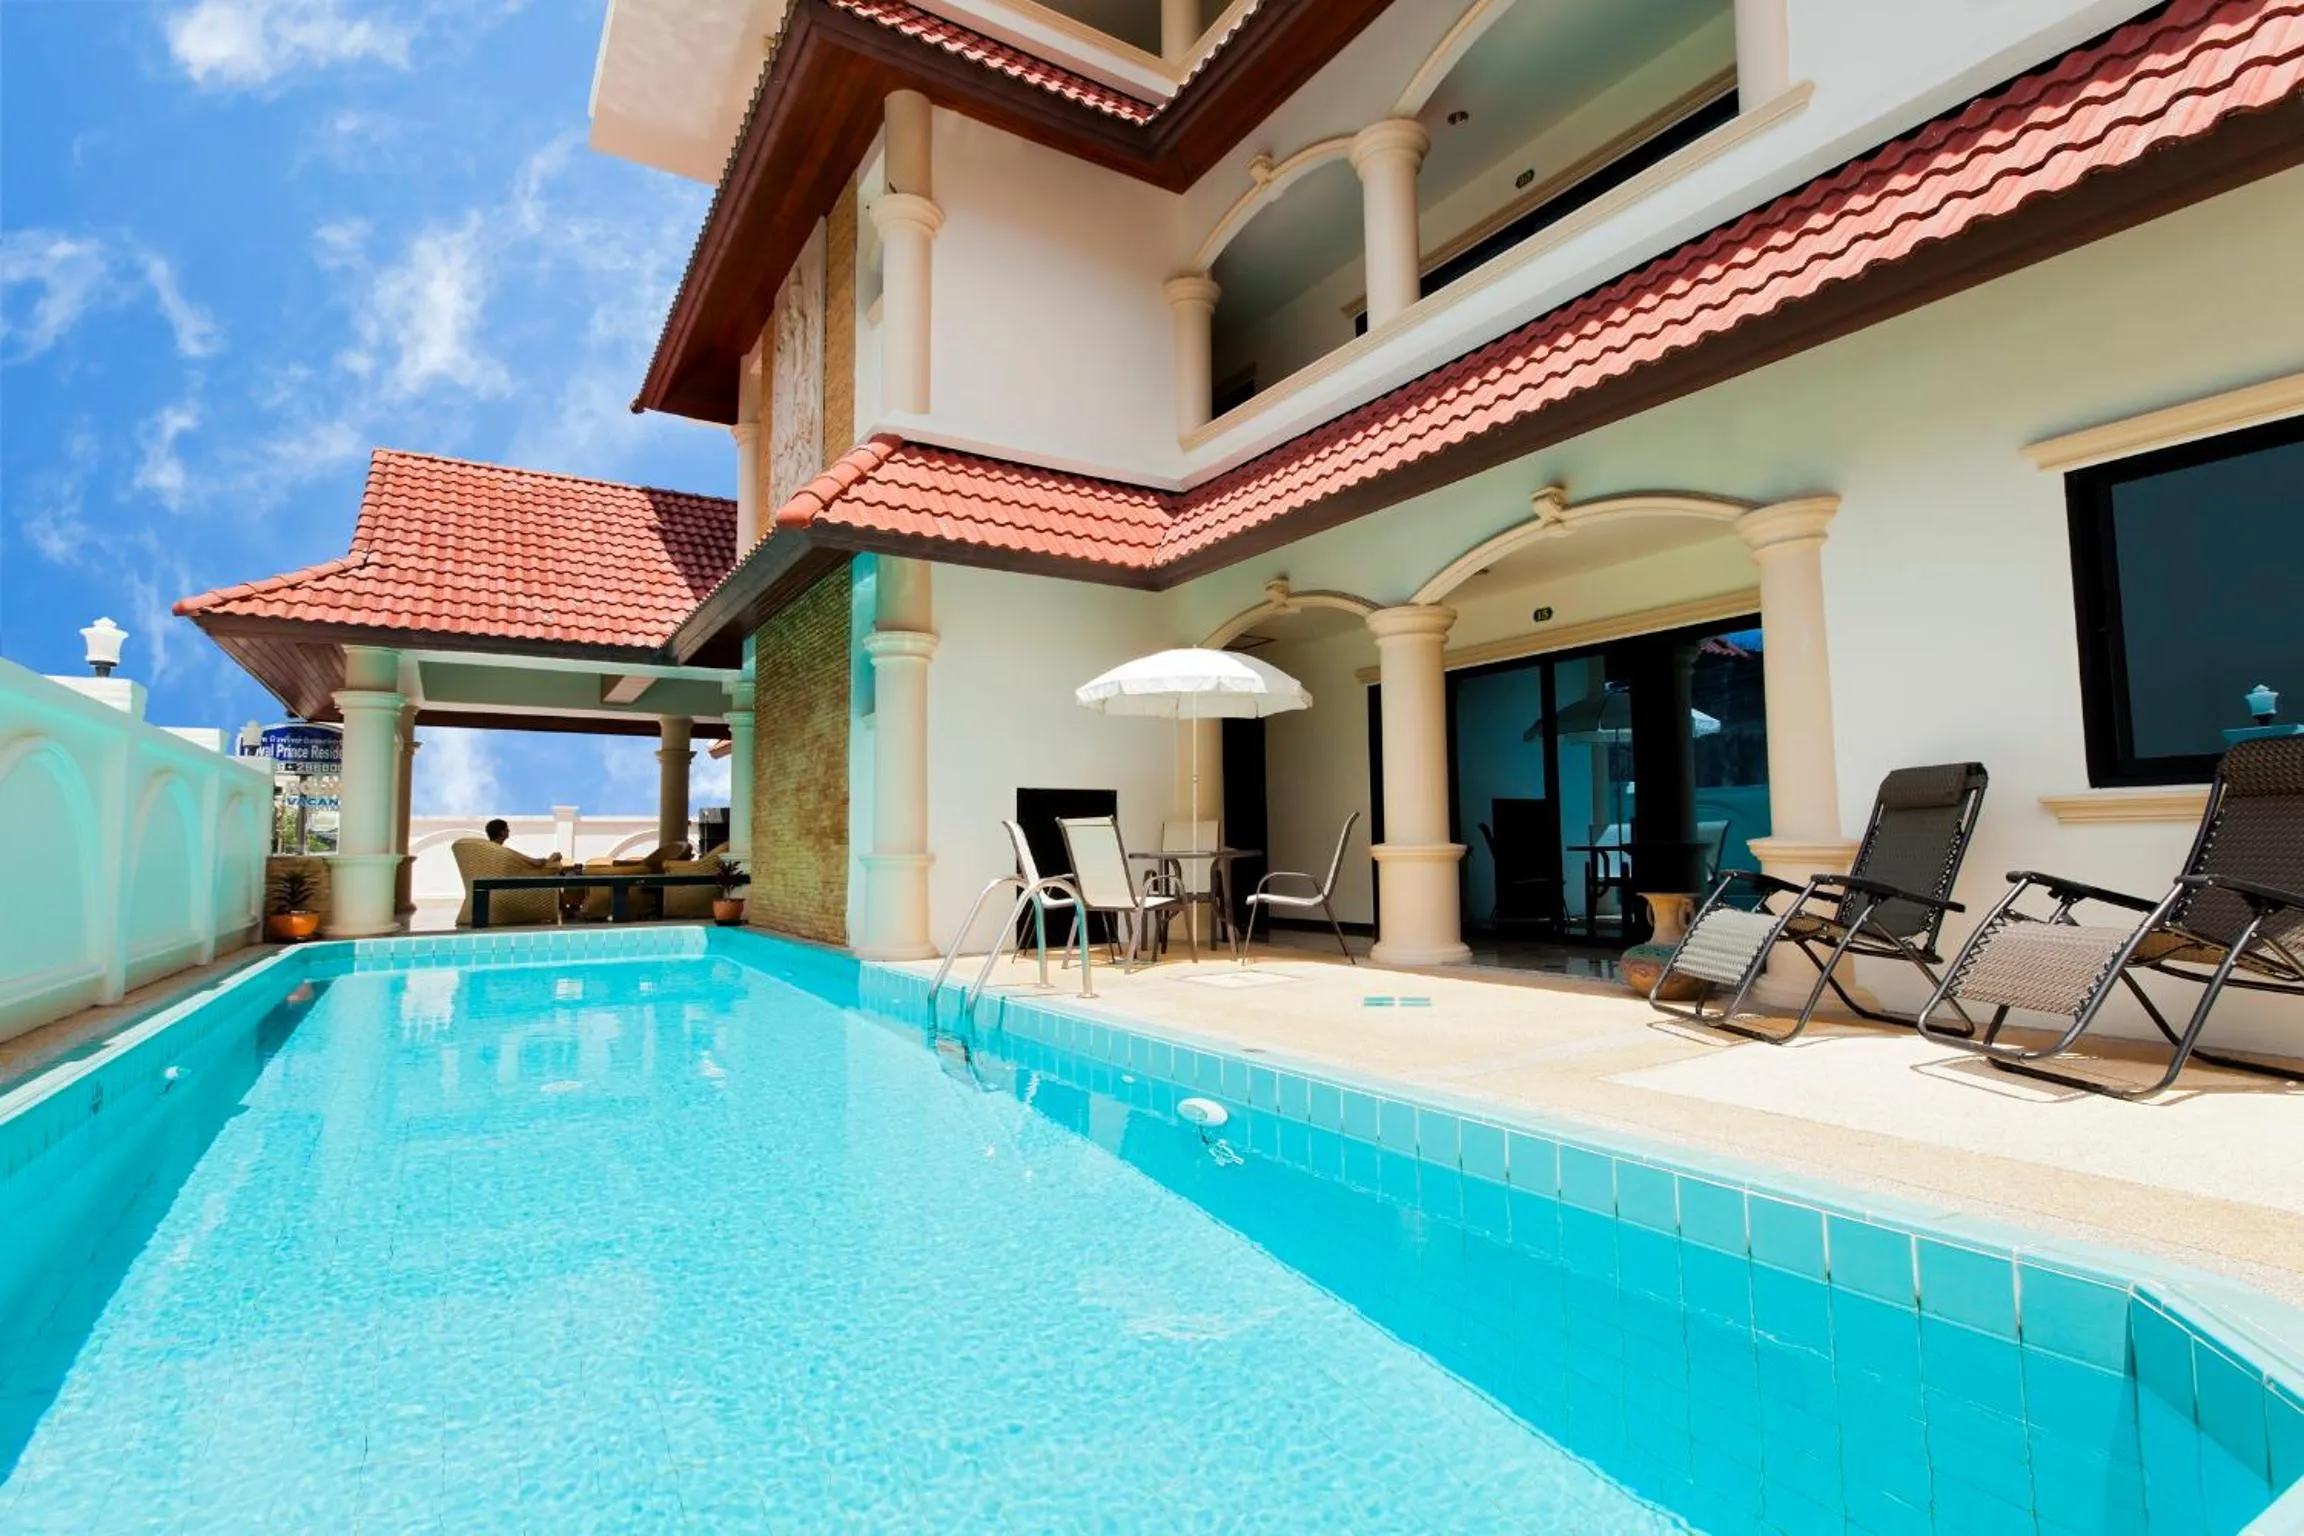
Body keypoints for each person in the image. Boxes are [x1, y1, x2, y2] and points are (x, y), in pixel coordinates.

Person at [483, 818, 563, 867]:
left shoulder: (485, 851)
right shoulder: (505, 852)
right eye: (507, 829)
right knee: (557, 855)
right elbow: (535, 863)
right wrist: (545, 860)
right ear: (501, 832)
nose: (509, 831)